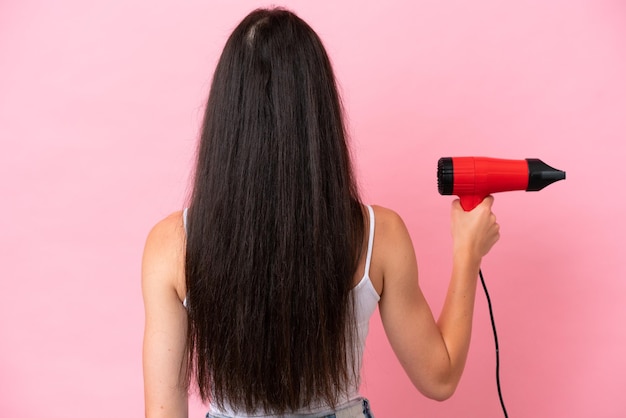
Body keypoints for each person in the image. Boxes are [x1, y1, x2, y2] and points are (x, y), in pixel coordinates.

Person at [142, 7, 500, 418]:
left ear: (226, 119)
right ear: (320, 115)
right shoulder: (378, 235)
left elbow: (164, 411)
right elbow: (440, 378)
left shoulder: (169, 246)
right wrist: (468, 252)